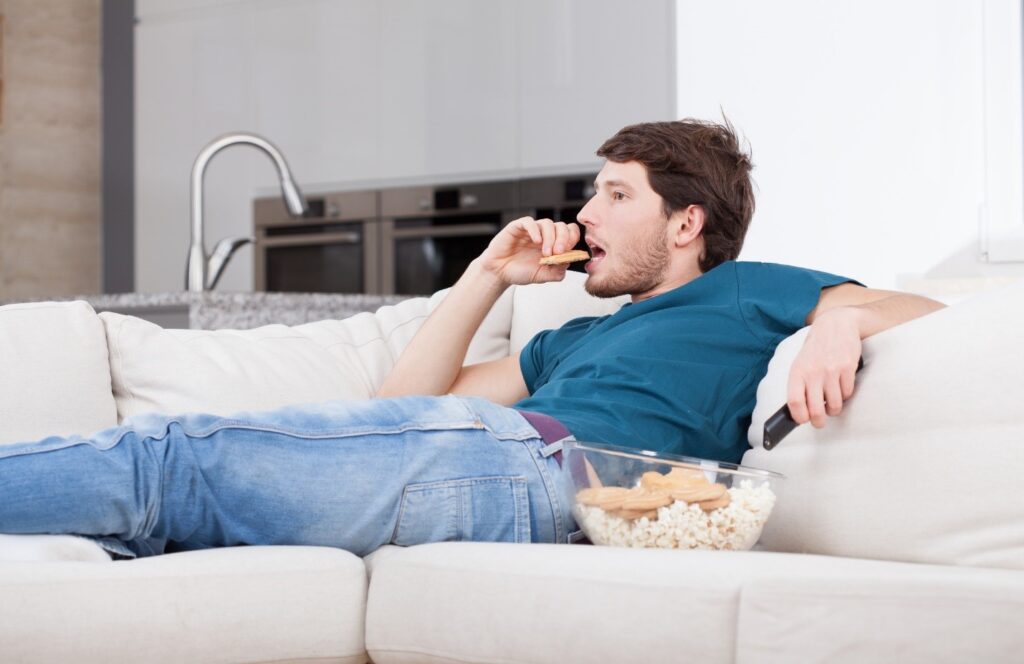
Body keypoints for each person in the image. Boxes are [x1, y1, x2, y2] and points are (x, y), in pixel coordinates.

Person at [0, 119, 945, 560]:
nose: (586, 213)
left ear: (687, 223)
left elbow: (937, 312)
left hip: (544, 471)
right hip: (491, 466)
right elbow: (399, 408)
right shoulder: (572, 340)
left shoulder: (744, 291)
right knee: (161, 524)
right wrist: (487, 274)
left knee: (170, 462)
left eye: (616, 194)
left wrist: (845, 319)